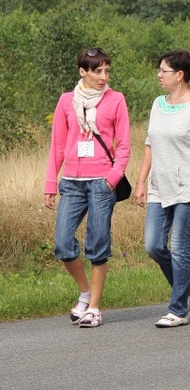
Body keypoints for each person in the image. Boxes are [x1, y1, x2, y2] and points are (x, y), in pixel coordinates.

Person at [44, 48, 131, 328]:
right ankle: (85, 292)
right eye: (97, 71)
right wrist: (50, 182)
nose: (104, 77)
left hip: (102, 182)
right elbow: (57, 144)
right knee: (62, 243)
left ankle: (94, 307)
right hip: (71, 181)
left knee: (97, 243)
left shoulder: (116, 100)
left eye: (107, 70)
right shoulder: (66, 101)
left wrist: (112, 178)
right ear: (83, 72)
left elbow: (125, 146)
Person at [134, 50, 190, 328]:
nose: (159, 75)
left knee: (180, 248)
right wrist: (141, 181)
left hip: (189, 186)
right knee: (153, 246)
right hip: (160, 186)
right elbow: (149, 144)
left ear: (179, 75)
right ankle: (189, 285)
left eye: (163, 70)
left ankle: (178, 309)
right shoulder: (158, 104)